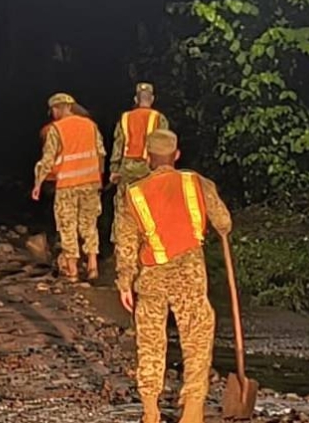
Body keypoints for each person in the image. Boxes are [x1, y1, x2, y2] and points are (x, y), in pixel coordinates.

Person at [114, 129, 232, 423]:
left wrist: (125, 283)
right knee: (196, 337)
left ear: (147, 158)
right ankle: (192, 410)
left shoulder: (134, 194)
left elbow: (126, 245)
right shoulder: (197, 183)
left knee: (151, 341)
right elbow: (224, 222)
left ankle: (150, 410)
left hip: (151, 275)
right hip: (189, 273)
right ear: (176, 155)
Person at [31, 93, 106, 281]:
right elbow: (100, 153)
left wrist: (38, 184)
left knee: (67, 225)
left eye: (53, 110)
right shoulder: (91, 125)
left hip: (67, 185)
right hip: (90, 182)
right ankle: (92, 266)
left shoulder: (57, 129)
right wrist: (99, 178)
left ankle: (72, 270)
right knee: (89, 225)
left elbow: (47, 160)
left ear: (58, 108)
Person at [109, 82, 169, 242]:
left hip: (127, 168)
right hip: (149, 169)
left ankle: (124, 244)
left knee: (125, 209)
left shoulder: (125, 118)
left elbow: (118, 144)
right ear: (153, 99)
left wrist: (114, 169)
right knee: (149, 207)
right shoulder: (158, 118)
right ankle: (149, 243)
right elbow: (164, 147)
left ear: (136, 98)